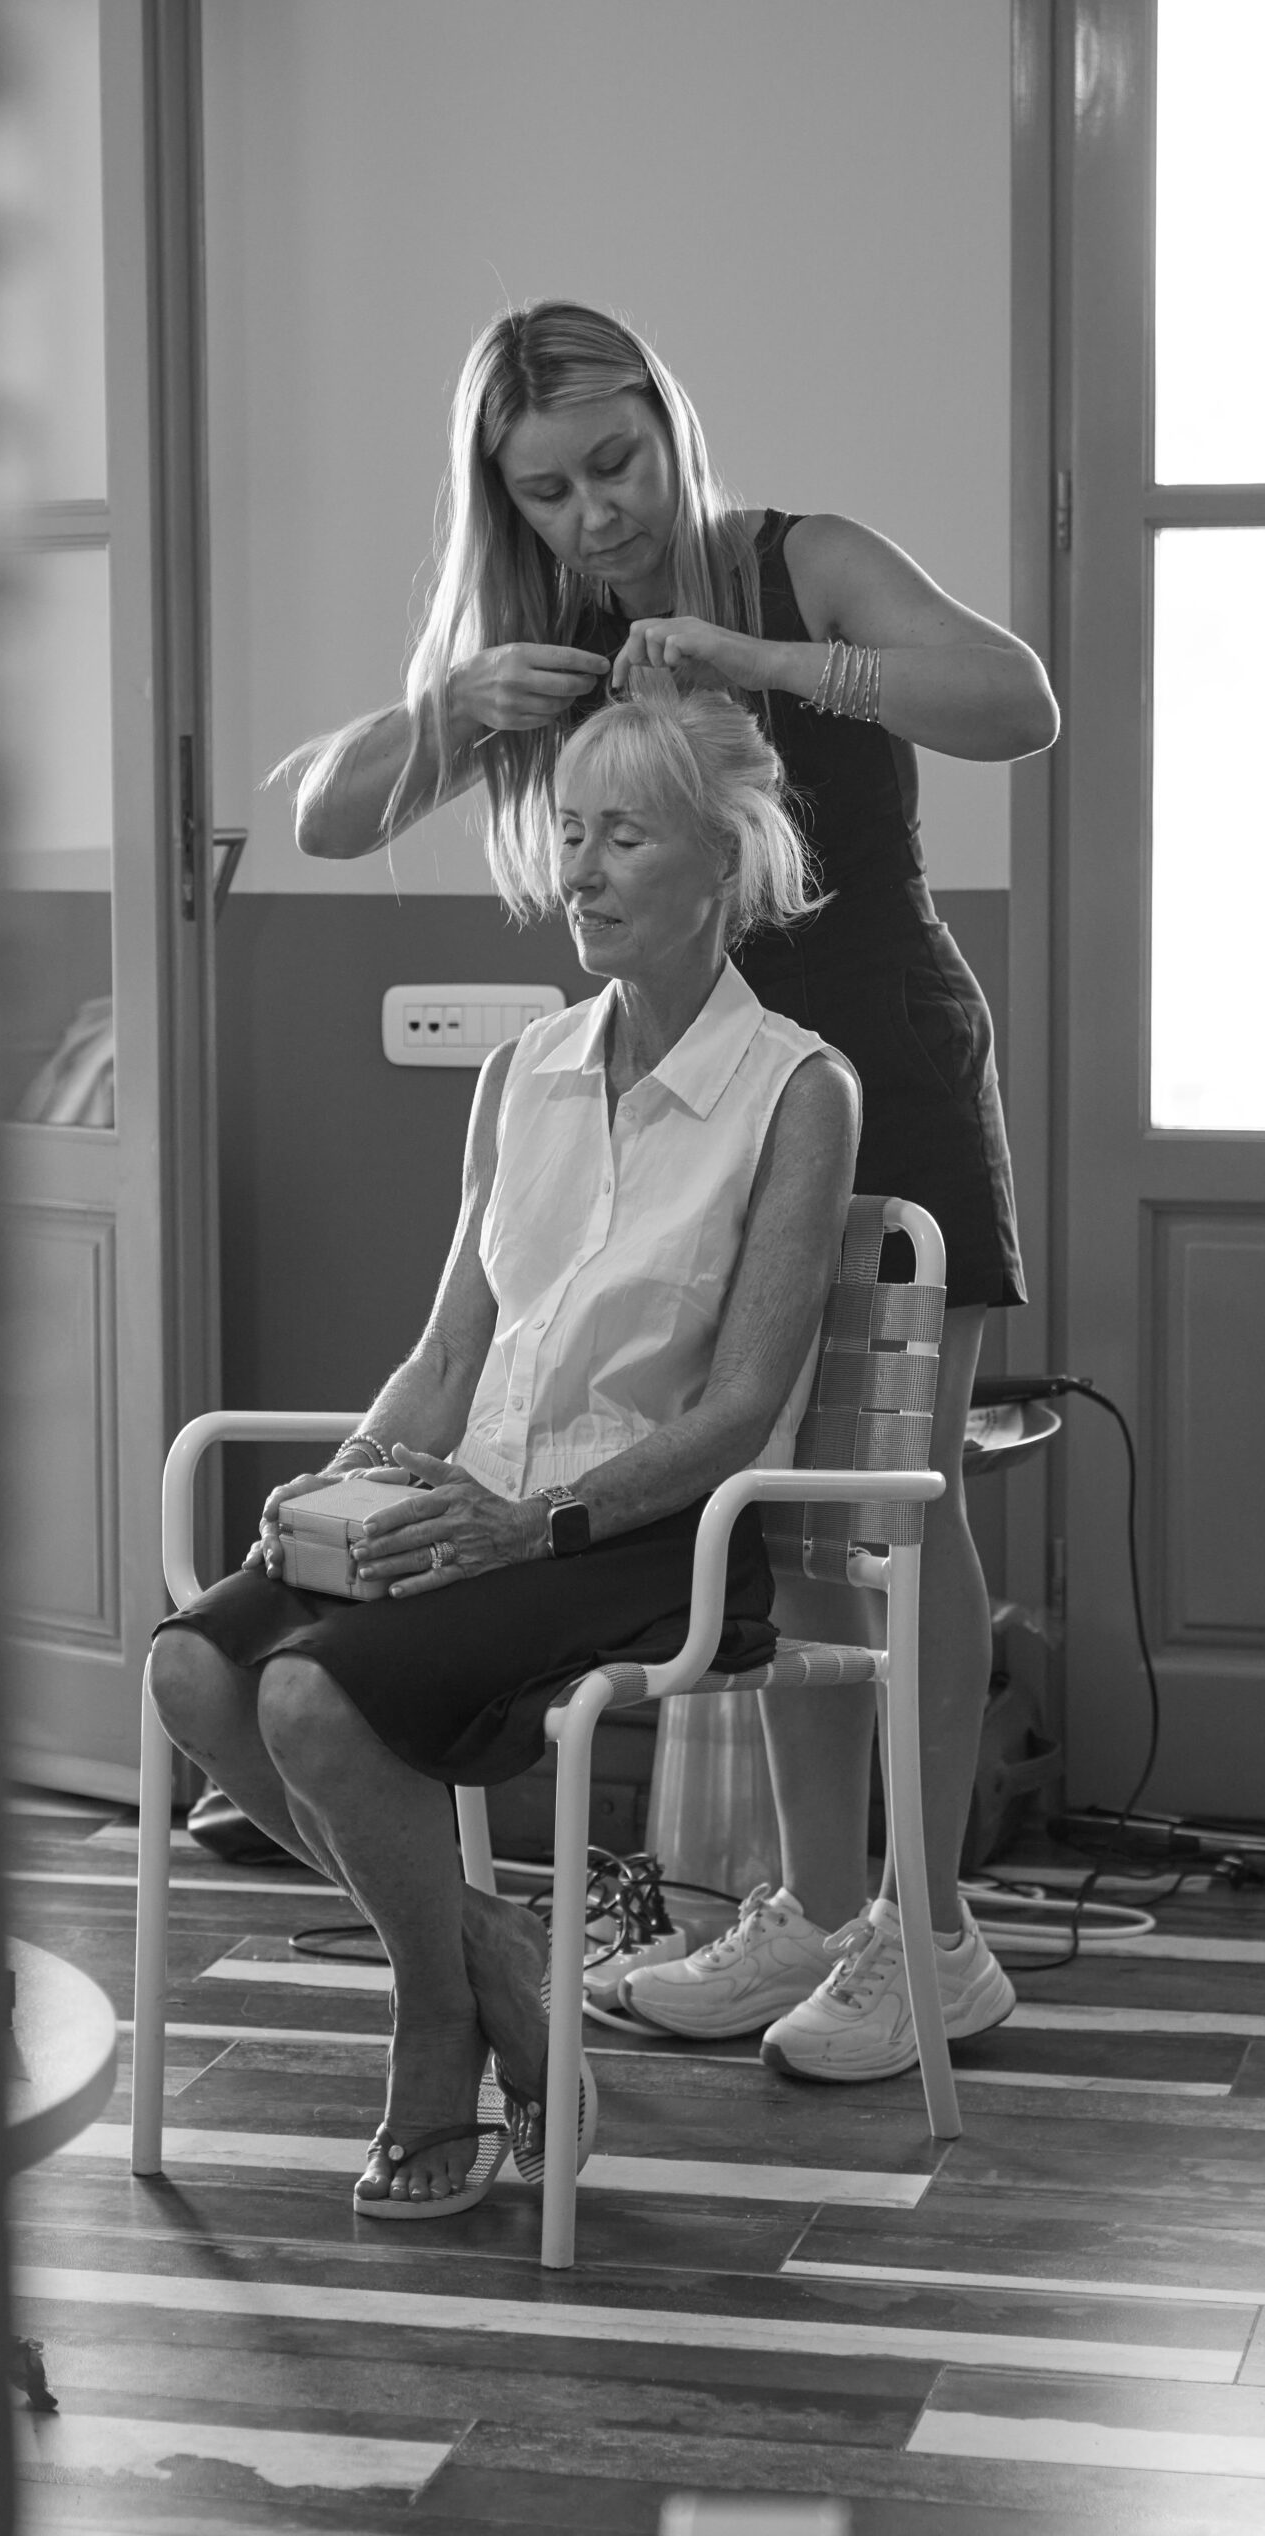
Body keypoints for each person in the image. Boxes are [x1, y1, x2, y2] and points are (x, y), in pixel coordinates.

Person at [287, 302, 1058, 2084]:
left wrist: (768, 663)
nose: (595, 515)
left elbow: (1017, 703)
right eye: (546, 492)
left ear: (668, 419)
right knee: (765, 1525)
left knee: (886, 1511)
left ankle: (934, 1938)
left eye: (615, 462)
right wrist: (447, 707)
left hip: (882, 1077)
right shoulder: (544, 645)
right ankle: (815, 1906)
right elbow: (327, 816)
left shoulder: (806, 562)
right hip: (685, 1120)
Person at [147, 684, 860, 2215]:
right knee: (194, 1671)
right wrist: (347, 1473)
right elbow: (448, 1356)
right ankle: (491, 1956)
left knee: (310, 1698)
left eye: (626, 838)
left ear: (724, 863)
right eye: (570, 833)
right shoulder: (518, 1073)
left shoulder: (801, 1093)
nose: (579, 872)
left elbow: (741, 1410)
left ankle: (431, 2029)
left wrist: (533, 1524)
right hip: (468, 1506)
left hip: (645, 1538)